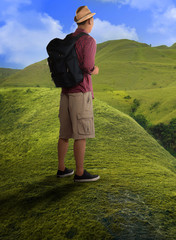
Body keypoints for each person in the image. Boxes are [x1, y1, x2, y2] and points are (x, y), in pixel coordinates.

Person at [56, 6, 100, 182]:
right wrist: (95, 70)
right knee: (81, 134)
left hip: (65, 91)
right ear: (89, 21)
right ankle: (80, 173)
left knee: (64, 133)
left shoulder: (68, 39)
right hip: (80, 92)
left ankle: (62, 169)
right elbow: (87, 67)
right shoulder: (88, 41)